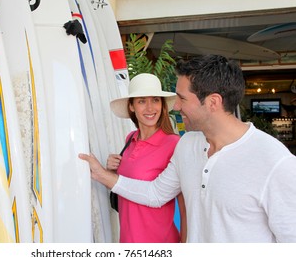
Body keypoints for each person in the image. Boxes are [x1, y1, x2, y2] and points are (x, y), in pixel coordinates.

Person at [79, 54, 296, 242]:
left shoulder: (276, 164)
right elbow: (155, 193)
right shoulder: (188, 145)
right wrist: (101, 174)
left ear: (213, 102)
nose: (176, 106)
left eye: (182, 98)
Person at [105, 73, 186, 243]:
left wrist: (185, 245)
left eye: (155, 100)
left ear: (162, 105)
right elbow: (125, 185)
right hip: (127, 240)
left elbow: (184, 202)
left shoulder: (174, 144)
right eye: (142, 101)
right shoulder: (130, 139)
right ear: (132, 106)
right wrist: (112, 170)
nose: (150, 108)